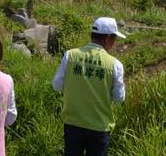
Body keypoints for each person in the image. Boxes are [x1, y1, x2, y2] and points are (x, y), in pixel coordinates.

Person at [52, 17, 126, 156]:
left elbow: (56, 85)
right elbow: (119, 98)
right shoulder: (115, 65)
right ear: (107, 38)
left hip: (72, 123)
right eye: (114, 39)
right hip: (99, 127)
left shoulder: (70, 55)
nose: (114, 43)